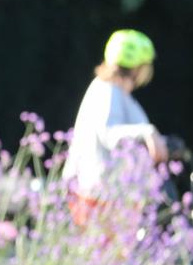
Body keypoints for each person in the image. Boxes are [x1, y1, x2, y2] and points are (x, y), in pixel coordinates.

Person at [63, 29, 169, 225]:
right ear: (138, 68)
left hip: (110, 199)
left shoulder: (116, 93)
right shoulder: (107, 90)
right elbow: (109, 133)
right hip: (98, 200)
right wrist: (147, 132)